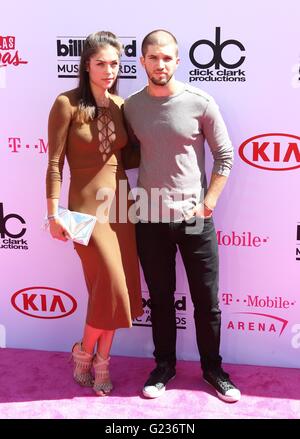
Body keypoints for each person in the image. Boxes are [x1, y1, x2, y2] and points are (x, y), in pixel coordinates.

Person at [124, 29, 241, 402]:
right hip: (150, 218)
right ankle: (164, 366)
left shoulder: (201, 102)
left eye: (167, 57)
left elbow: (226, 156)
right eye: (153, 57)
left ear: (178, 60)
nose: (161, 64)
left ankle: (213, 369)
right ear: (142, 61)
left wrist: (207, 204)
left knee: (206, 300)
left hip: (195, 218)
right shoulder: (131, 107)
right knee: (159, 298)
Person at [46, 31, 143, 396]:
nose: (108, 70)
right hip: (84, 211)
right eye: (100, 63)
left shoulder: (121, 105)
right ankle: (85, 352)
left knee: (113, 291)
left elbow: (130, 155)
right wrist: (52, 214)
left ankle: (99, 357)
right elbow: (54, 163)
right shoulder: (65, 103)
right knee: (111, 285)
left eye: (114, 64)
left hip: (121, 205)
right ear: (86, 65)